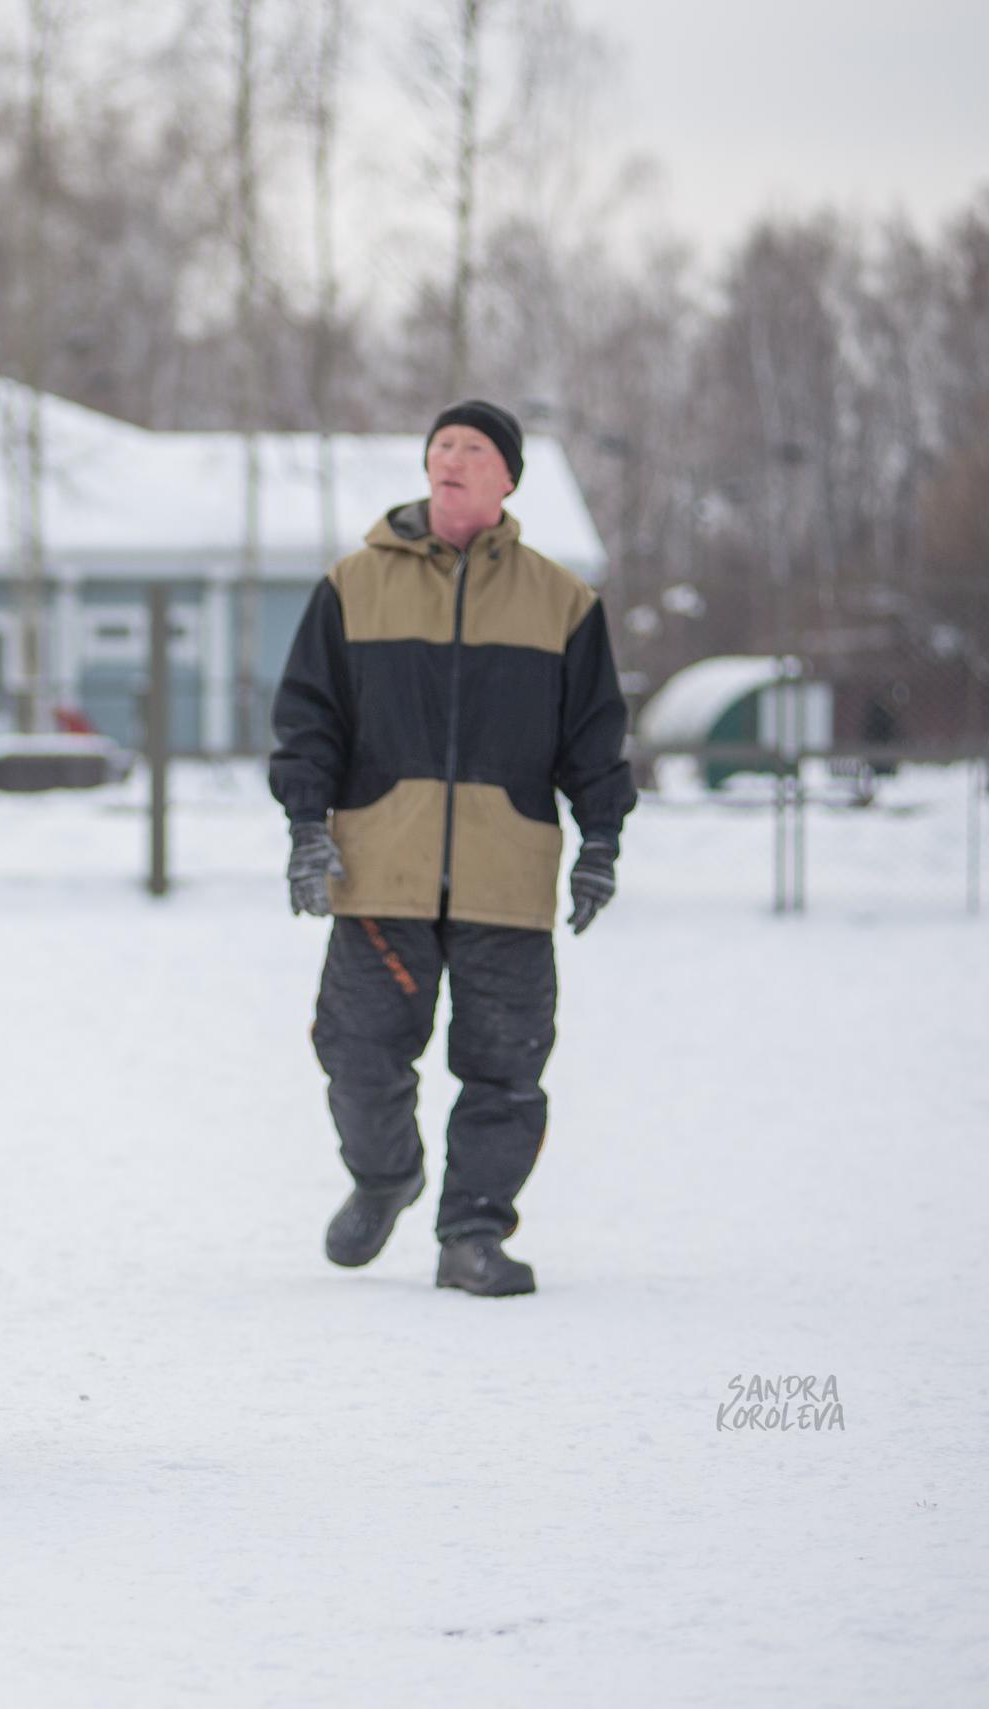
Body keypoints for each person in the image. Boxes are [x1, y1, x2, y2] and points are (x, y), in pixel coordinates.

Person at [268, 399, 633, 1296]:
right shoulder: (354, 584)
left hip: (506, 880)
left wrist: (602, 844)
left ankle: (472, 1232)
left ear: (507, 478)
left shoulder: (562, 602)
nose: (451, 458)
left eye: (473, 448)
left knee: (506, 1070)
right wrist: (307, 826)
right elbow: (307, 719)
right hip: (377, 871)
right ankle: (386, 1175)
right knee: (356, 1053)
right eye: (440, 446)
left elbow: (595, 737)